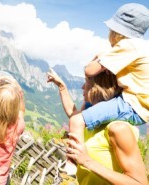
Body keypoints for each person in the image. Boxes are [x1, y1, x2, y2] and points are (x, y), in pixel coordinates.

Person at [47, 69, 148, 185]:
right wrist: (61, 87)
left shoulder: (119, 129)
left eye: (86, 82)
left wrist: (87, 161)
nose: (82, 86)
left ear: (98, 87)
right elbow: (73, 114)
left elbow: (140, 183)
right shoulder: (88, 122)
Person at [68, 3, 149, 145]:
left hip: (132, 105)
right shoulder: (143, 47)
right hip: (140, 107)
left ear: (116, 32)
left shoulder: (128, 45)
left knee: (76, 121)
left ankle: (72, 160)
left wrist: (100, 56)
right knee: (88, 105)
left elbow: (89, 70)